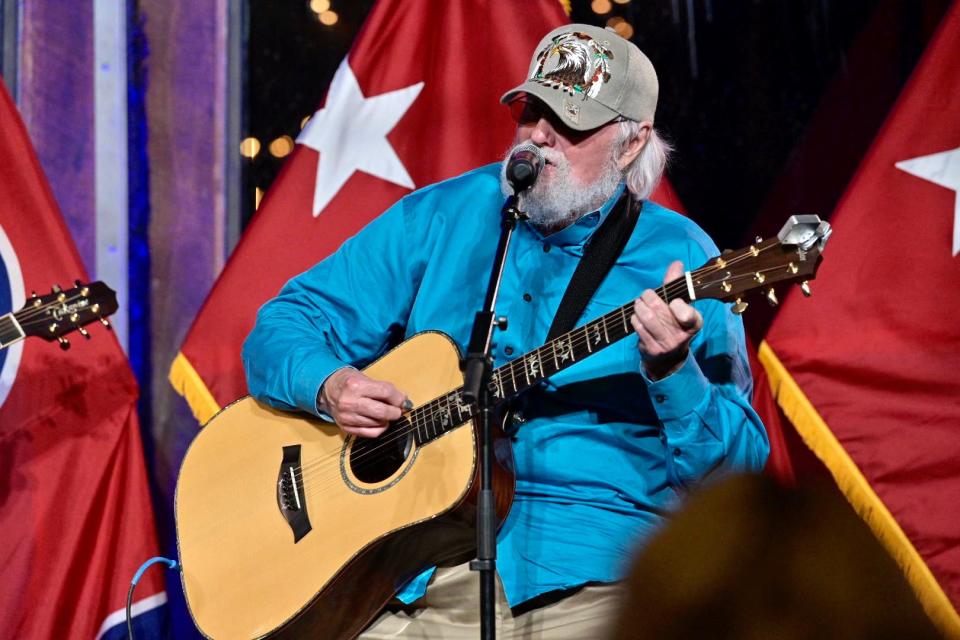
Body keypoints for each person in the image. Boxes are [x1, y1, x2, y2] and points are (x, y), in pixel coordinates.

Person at [242, 23, 769, 639]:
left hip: (588, 573)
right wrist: (329, 385)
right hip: (403, 565)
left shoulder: (681, 255)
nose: (540, 136)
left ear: (631, 144)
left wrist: (675, 374)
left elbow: (738, 480)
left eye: (570, 123)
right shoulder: (441, 214)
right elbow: (283, 324)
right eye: (532, 111)